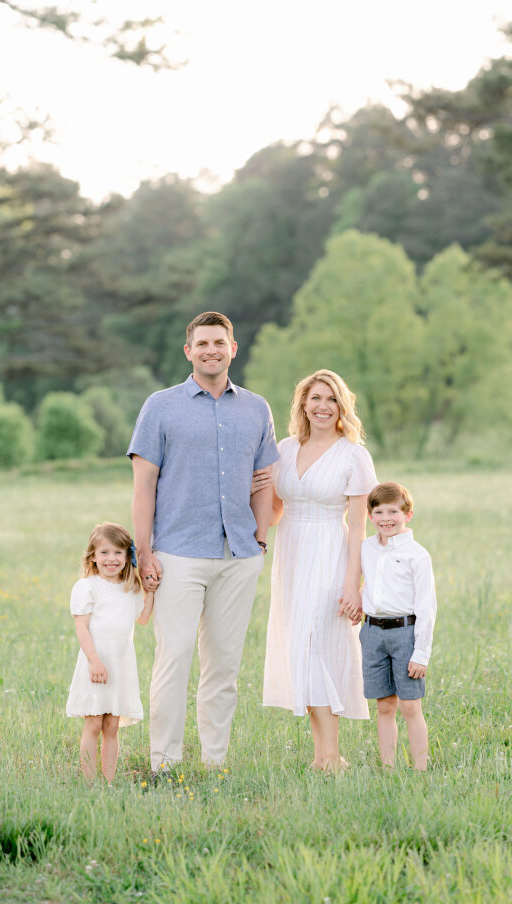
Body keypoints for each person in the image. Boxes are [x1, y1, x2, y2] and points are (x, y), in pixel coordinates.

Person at [127, 311, 278, 776]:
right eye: (203, 343)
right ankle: (164, 764)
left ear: (233, 349)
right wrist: (144, 551)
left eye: (220, 343)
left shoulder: (256, 409)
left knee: (224, 667)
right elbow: (143, 486)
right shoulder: (161, 406)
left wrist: (260, 534)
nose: (212, 350)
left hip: (238, 556)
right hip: (177, 554)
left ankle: (215, 763)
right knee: (173, 658)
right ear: (188, 351)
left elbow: (265, 478)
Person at [256, 369, 377, 771]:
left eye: (331, 399)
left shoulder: (353, 455)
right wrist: (252, 485)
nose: (322, 407)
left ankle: (331, 756)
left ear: (342, 406)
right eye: (315, 399)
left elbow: (359, 525)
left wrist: (353, 584)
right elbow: (274, 513)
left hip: (331, 554)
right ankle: (323, 755)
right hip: (290, 554)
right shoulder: (284, 449)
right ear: (302, 405)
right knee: (299, 652)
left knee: (320, 647)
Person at [66, 521, 154, 785]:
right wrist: (94, 660)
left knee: (112, 726)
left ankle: (110, 780)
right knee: (93, 724)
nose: (111, 559)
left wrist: (149, 591)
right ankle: (90, 781)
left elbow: (143, 619)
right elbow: (81, 627)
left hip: (120, 661)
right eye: (104, 553)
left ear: (128, 557)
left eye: (118, 552)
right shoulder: (87, 586)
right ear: (93, 556)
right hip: (97, 659)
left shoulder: (132, 588)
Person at [359, 481, 436, 771]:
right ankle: (388, 768)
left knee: (410, 706)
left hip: (405, 634)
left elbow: (427, 607)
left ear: (408, 514)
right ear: (370, 516)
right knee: (384, 706)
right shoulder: (367, 547)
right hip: (372, 633)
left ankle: (420, 769)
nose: (386, 519)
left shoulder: (418, 555)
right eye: (378, 512)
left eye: (393, 512)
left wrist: (421, 653)